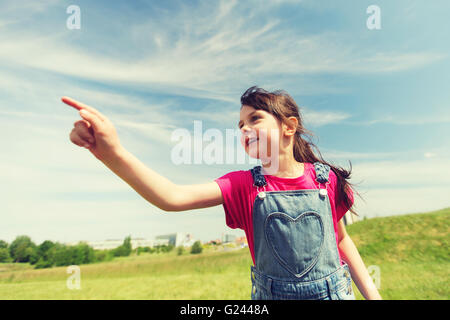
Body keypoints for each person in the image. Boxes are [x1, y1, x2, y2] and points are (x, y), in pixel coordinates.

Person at [61, 86, 382, 300]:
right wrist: (113, 153)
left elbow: (340, 241)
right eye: (240, 125)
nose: (244, 129)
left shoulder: (327, 181)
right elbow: (170, 197)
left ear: (289, 126)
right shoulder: (243, 186)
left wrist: (373, 296)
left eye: (254, 119)